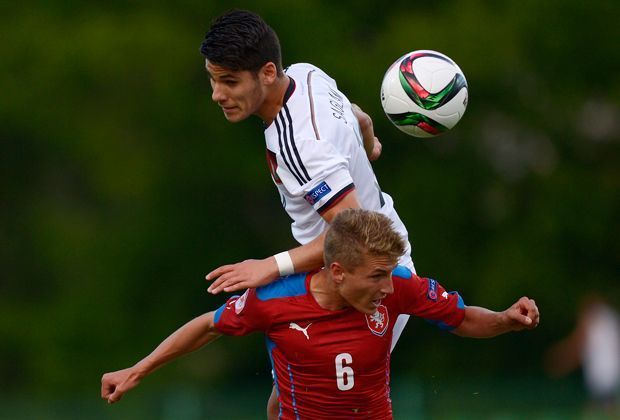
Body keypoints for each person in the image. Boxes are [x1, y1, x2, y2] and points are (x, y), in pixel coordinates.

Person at [101, 209, 540, 419]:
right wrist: (139, 370)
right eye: (376, 277)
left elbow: (459, 317)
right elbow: (207, 327)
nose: (388, 288)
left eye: (390, 275)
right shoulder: (273, 300)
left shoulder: (397, 286)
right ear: (336, 271)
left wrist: (504, 319)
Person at [199, 12, 415, 415]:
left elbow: (357, 237)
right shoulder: (307, 74)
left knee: (314, 407)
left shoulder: (300, 146)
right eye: (213, 80)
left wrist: (272, 265)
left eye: (229, 81)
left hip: (369, 276)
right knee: (284, 404)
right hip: (347, 267)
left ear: (266, 73)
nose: (217, 94)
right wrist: (366, 146)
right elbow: (359, 116)